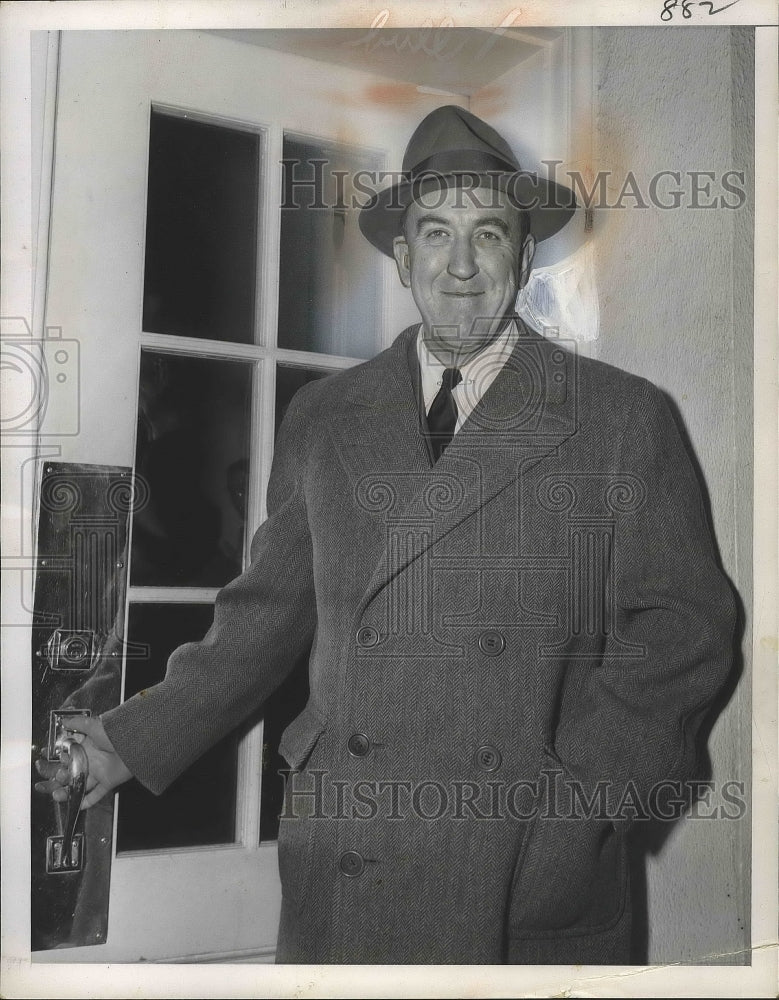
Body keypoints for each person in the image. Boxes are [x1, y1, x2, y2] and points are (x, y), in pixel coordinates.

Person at [36, 105, 736, 965]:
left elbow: (682, 634)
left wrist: (580, 813)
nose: (462, 265)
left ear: (523, 255)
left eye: (489, 233)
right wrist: (129, 739)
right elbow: (263, 618)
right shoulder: (326, 417)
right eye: (435, 234)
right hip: (349, 850)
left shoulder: (620, 417)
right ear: (402, 259)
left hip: (520, 861)